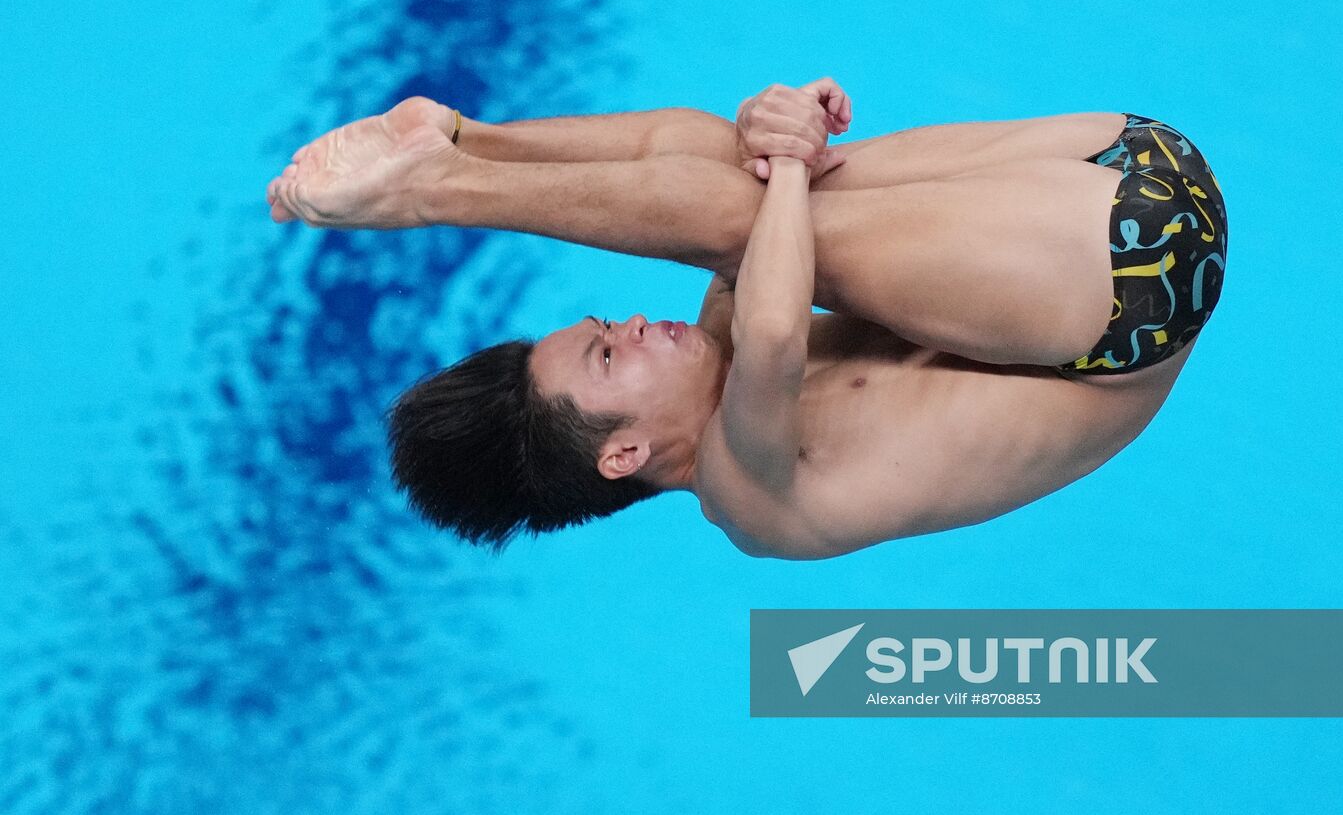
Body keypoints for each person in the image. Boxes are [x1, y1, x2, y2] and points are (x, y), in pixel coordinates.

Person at [266, 79, 1228, 559]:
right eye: (608, 353)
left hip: (1127, 175)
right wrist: (796, 157)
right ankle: (441, 189)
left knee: (732, 170)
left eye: (611, 324)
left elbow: (693, 168)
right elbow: (769, 323)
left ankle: (472, 140)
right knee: (744, 210)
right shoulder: (746, 495)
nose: (637, 325)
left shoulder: (714, 373)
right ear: (622, 454)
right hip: (1136, 281)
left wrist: (777, 123)